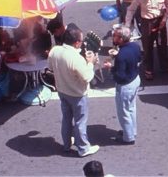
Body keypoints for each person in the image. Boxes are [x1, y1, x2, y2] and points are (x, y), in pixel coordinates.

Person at [47, 27, 99, 157]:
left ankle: (66, 144)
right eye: (81, 41)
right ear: (76, 42)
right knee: (80, 121)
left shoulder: (55, 51)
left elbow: (50, 67)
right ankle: (83, 148)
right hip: (77, 94)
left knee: (66, 118)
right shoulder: (76, 58)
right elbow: (87, 77)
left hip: (62, 91)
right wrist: (90, 63)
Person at [125, 0, 168, 80]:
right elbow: (131, 10)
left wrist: (164, 19)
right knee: (147, 47)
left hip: (160, 21)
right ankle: (149, 69)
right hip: (147, 22)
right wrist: (127, 26)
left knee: (162, 44)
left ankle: (165, 66)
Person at [102, 25, 141, 145]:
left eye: (115, 36)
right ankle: (131, 131)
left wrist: (111, 68)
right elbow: (139, 59)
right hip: (135, 79)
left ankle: (128, 137)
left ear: (122, 39)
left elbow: (120, 76)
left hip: (126, 85)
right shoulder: (135, 46)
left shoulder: (121, 55)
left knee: (123, 112)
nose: (113, 37)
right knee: (131, 108)